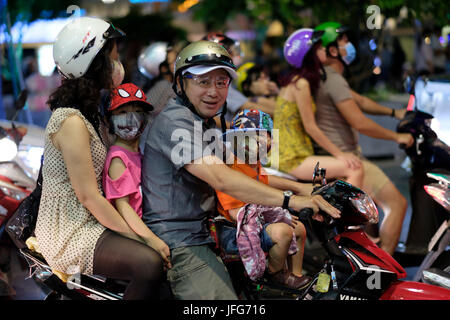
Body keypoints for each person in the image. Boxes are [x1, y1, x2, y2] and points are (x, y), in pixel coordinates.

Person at [141, 40, 340, 299]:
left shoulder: (206, 122)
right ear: (181, 83)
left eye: (221, 82)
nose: (214, 91)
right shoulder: (176, 123)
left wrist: (300, 187)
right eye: (203, 82)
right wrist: (291, 200)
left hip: (210, 228)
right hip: (181, 238)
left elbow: (240, 170)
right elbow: (222, 178)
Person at [35, 17, 164, 300]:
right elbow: (89, 197)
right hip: (70, 228)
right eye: (113, 57)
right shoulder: (71, 120)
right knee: (149, 263)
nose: (119, 65)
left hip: (95, 218)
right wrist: (142, 238)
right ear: (93, 63)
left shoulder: (93, 111)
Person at [313, 21, 414, 255]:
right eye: (343, 42)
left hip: (339, 156)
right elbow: (359, 121)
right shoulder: (332, 77)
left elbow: (359, 101)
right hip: (347, 158)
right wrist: (397, 136)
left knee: (372, 213)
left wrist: (394, 112)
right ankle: (384, 268)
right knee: (397, 204)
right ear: (331, 49)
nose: (349, 46)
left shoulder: (329, 77)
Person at [216, 109, 311, 289]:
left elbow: (265, 189)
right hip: (235, 230)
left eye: (260, 136)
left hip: (256, 221)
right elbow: (236, 214)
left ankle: (295, 275)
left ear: (270, 141)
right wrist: (272, 217)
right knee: (283, 231)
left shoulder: (254, 165)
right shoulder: (230, 169)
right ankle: (273, 275)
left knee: (299, 228)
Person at [274, 28, 364, 188]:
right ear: (310, 54)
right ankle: (344, 214)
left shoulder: (294, 81)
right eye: (320, 48)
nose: (324, 49)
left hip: (287, 155)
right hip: (292, 159)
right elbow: (311, 127)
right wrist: (340, 154)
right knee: (355, 169)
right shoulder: (301, 84)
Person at [103, 82, 171, 269]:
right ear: (110, 119)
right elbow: (123, 207)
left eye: (137, 112)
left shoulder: (138, 153)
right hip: (133, 235)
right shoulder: (118, 158)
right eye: (122, 112)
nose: (130, 118)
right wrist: (151, 240)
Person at [203, 32, 278, 121]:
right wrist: (284, 114)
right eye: (230, 52)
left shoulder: (220, 80)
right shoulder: (220, 82)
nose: (233, 57)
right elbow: (248, 107)